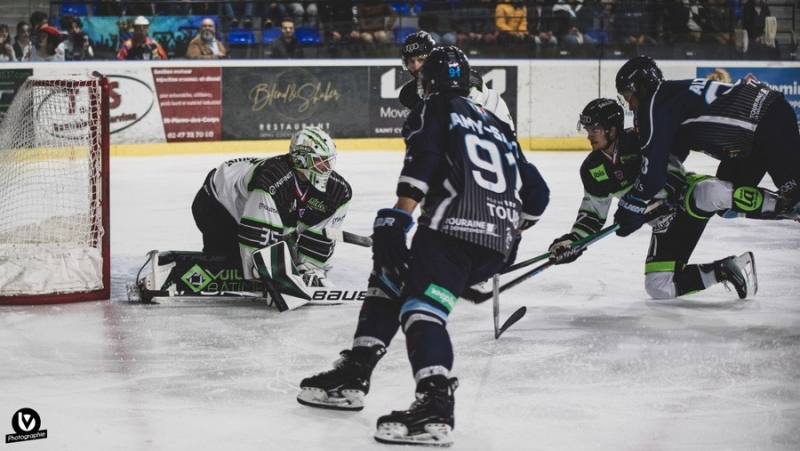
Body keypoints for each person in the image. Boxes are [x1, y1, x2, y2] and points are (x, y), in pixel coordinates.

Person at [296, 46, 550, 446]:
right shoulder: (499, 125)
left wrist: (399, 216)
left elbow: (424, 159)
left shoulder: (435, 108)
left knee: (422, 309)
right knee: (392, 276)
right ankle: (355, 371)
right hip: (496, 241)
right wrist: (510, 236)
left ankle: (434, 404)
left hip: (451, 230)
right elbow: (537, 194)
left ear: (425, 83)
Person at [550, 98, 757, 300]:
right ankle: (723, 270)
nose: (589, 137)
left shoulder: (640, 142)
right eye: (587, 130)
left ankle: (781, 205)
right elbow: (592, 215)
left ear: (612, 129)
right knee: (658, 287)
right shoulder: (592, 169)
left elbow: (672, 169)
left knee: (716, 192)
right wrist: (573, 241)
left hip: (685, 200)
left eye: (594, 130)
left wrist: (668, 192)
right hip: (665, 225)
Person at [613, 56, 800, 238]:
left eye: (628, 96)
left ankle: (793, 206)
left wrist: (632, 203)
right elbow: (673, 153)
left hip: (766, 121)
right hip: (753, 137)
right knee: (727, 199)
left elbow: (652, 174)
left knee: (796, 195)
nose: (629, 106)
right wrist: (670, 187)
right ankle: (785, 208)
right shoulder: (669, 99)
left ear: (641, 87)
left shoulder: (654, 104)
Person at [191, 127, 349, 288]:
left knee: (289, 260)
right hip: (216, 204)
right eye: (320, 160)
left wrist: (308, 268)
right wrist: (269, 273)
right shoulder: (272, 179)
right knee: (230, 262)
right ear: (301, 159)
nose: (327, 166)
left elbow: (319, 234)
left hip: (246, 203)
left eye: (329, 160)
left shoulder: (338, 191)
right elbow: (257, 231)